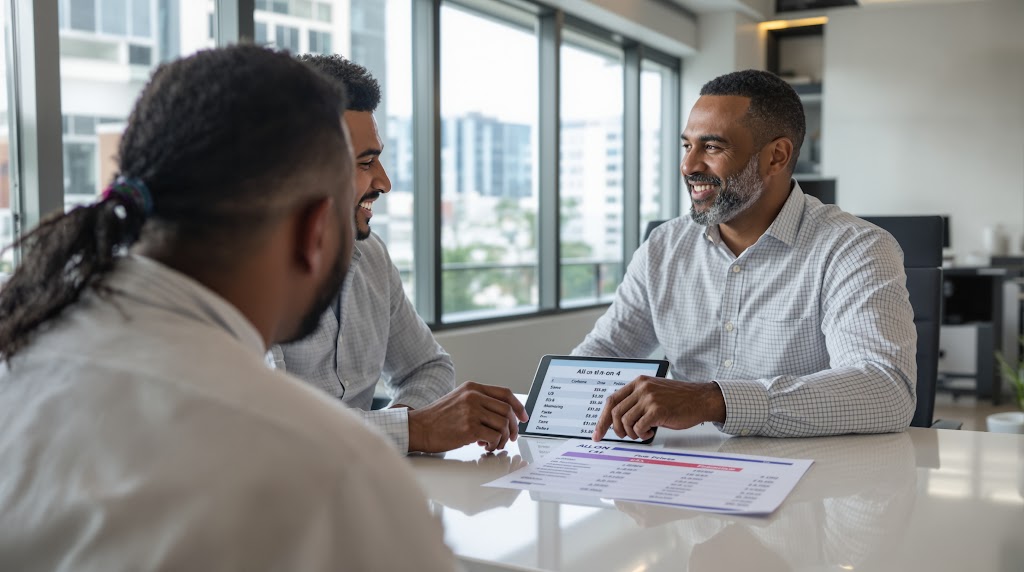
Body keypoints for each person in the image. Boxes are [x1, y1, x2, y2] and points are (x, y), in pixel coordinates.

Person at [0, 46, 456, 571]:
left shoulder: (25, 357)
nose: (383, 183)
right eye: (365, 164)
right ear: (314, 232)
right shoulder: (335, 476)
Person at [576, 69, 917, 442]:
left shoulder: (855, 248)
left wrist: (713, 401)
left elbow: (886, 389)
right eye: (687, 146)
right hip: (683, 466)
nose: (689, 167)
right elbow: (607, 350)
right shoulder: (663, 246)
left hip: (815, 480)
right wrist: (534, 409)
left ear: (776, 156)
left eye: (712, 147)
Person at [270, 54, 527, 455]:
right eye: (366, 163)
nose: (384, 182)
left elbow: (428, 367)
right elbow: (274, 429)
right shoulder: (246, 276)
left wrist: (404, 425)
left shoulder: (371, 256)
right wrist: (415, 429)